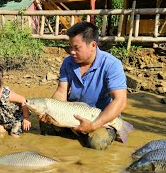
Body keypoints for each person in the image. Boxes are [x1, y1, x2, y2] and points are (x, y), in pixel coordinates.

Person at [39, 21, 129, 150]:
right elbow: (61, 91)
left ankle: (108, 130)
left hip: (99, 116)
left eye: (76, 48)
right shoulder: (68, 63)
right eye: (70, 47)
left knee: (97, 142)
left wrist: (92, 126)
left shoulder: (112, 64)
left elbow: (120, 101)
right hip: (72, 113)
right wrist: (54, 113)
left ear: (93, 45)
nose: (72, 52)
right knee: (45, 126)